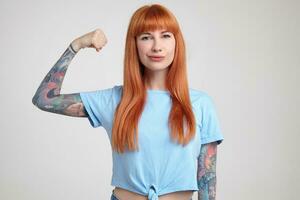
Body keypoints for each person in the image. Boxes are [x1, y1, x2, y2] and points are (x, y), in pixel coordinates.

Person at [32, 4, 224, 200]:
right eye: (146, 37)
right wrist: (76, 45)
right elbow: (44, 99)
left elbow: (207, 180)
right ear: (135, 45)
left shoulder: (200, 104)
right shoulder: (113, 100)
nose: (157, 46)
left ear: (177, 42)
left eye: (165, 35)